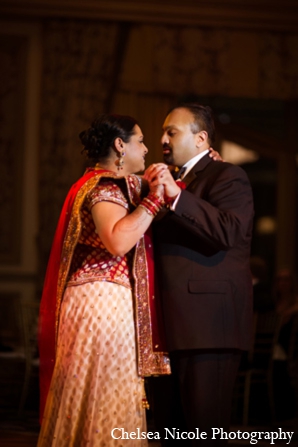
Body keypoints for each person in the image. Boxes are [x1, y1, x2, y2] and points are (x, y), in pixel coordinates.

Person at [37, 113, 171, 447]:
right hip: (102, 306)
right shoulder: (104, 188)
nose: (146, 147)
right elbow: (117, 241)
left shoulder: (111, 184)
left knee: (100, 392)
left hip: (99, 303)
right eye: (140, 141)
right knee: (104, 392)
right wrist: (153, 200)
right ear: (119, 145)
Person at [144, 103, 254, 445]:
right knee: (168, 432)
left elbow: (228, 231)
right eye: (162, 131)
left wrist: (177, 197)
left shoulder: (228, 175)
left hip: (207, 327)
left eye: (172, 132)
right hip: (168, 327)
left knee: (204, 431)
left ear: (201, 138)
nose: (162, 139)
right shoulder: (173, 179)